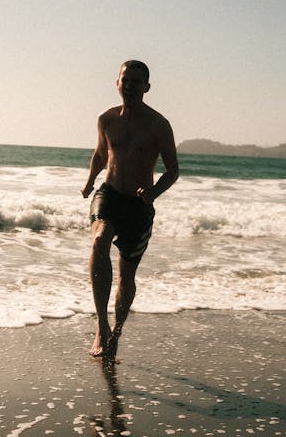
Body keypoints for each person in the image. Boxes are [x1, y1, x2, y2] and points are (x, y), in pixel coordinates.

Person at [81, 60, 179, 360]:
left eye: (138, 81)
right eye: (126, 79)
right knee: (99, 240)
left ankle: (117, 332)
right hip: (109, 193)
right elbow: (100, 154)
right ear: (117, 83)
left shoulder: (159, 125)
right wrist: (89, 183)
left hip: (139, 204)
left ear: (147, 87)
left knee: (127, 277)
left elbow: (172, 171)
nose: (131, 85)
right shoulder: (106, 119)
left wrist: (153, 193)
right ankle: (101, 325)